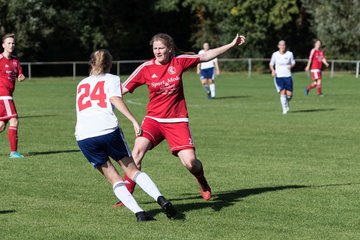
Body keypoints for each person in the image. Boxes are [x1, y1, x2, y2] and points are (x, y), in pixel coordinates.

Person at [114, 33, 245, 207]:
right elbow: (119, 90)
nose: (158, 52)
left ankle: (201, 179)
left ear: (169, 49)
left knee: (191, 163)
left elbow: (205, 56)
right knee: (136, 153)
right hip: (153, 119)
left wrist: (231, 44)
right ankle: (127, 196)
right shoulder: (145, 68)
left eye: (161, 48)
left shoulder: (179, 61)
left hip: (177, 121)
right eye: (155, 48)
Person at [75, 49, 177, 222]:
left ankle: (139, 213)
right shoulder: (113, 79)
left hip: (84, 135)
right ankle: (160, 199)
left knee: (113, 178)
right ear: (110, 64)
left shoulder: (81, 83)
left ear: (91, 64)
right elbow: (115, 98)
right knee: (132, 170)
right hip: (107, 130)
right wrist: (133, 120)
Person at [0, 33, 26, 158]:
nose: (11, 45)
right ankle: (13, 152)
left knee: (1, 125)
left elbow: (19, 76)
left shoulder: (15, 60)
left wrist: (21, 77)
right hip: (3, 96)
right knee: (14, 120)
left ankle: (13, 152)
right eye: (9, 43)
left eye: (13, 43)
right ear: (3, 45)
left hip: (8, 95)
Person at [269, 40, 295, 114]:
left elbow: (293, 62)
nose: (282, 46)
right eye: (281, 45)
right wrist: (273, 71)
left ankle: (286, 101)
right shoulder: (275, 54)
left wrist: (291, 66)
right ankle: (284, 109)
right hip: (279, 76)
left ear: (285, 46)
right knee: (282, 92)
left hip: (288, 76)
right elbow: (271, 64)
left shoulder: (290, 54)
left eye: (283, 45)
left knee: (289, 94)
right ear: (278, 46)